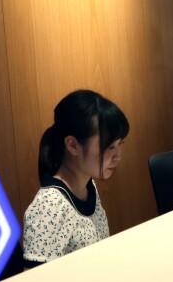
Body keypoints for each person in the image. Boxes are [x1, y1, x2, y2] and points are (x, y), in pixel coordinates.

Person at [22, 90, 129, 268]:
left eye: (120, 144)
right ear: (73, 145)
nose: (118, 155)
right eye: (109, 146)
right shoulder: (49, 205)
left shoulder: (88, 186)